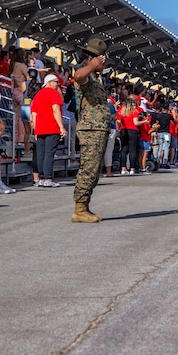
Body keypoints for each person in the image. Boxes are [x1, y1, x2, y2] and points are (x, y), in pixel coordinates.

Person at [71, 38, 113, 222]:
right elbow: (78, 76)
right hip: (91, 129)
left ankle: (84, 207)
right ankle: (79, 210)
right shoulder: (86, 74)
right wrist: (92, 65)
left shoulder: (96, 77)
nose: (103, 64)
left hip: (98, 129)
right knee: (88, 168)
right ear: (92, 59)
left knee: (94, 170)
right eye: (101, 60)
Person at [30, 74, 66, 187]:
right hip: (52, 127)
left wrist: (35, 129)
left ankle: (41, 178)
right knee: (49, 154)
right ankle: (48, 178)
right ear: (50, 82)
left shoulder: (38, 95)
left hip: (40, 129)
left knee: (41, 154)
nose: (57, 84)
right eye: (56, 82)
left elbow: (34, 114)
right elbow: (56, 110)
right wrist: (61, 126)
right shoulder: (53, 93)